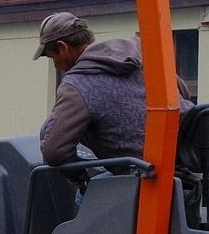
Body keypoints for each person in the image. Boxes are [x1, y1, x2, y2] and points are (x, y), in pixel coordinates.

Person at [33, 11, 190, 169]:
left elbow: (54, 152)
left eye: (52, 57)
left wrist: (78, 175)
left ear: (63, 47)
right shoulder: (141, 53)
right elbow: (182, 92)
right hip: (187, 159)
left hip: (143, 175)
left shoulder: (77, 85)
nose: (55, 64)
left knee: (84, 192)